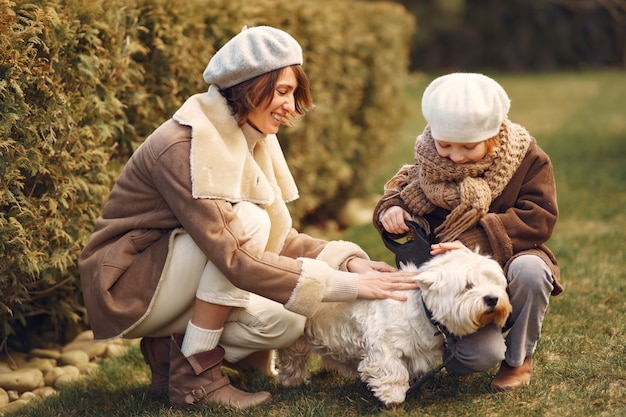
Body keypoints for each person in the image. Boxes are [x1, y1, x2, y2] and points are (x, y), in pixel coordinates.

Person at [78, 26, 418, 410]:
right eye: (283, 92)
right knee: (250, 221)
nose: (292, 108)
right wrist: (350, 287)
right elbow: (236, 255)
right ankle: (196, 376)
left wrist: (349, 262)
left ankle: (167, 354)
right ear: (248, 86)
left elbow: (280, 239)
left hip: (171, 274)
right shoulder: (185, 144)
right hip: (126, 285)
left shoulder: (247, 136)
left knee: (286, 321)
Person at [372, 72, 563, 392]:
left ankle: (518, 359)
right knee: (477, 358)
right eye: (446, 145)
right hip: (454, 278)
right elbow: (404, 191)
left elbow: (540, 217)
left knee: (531, 271)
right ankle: (450, 339)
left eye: (469, 147)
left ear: (493, 136)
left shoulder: (527, 158)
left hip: (510, 257)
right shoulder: (430, 157)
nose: (456, 157)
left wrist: (474, 243)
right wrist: (392, 209)